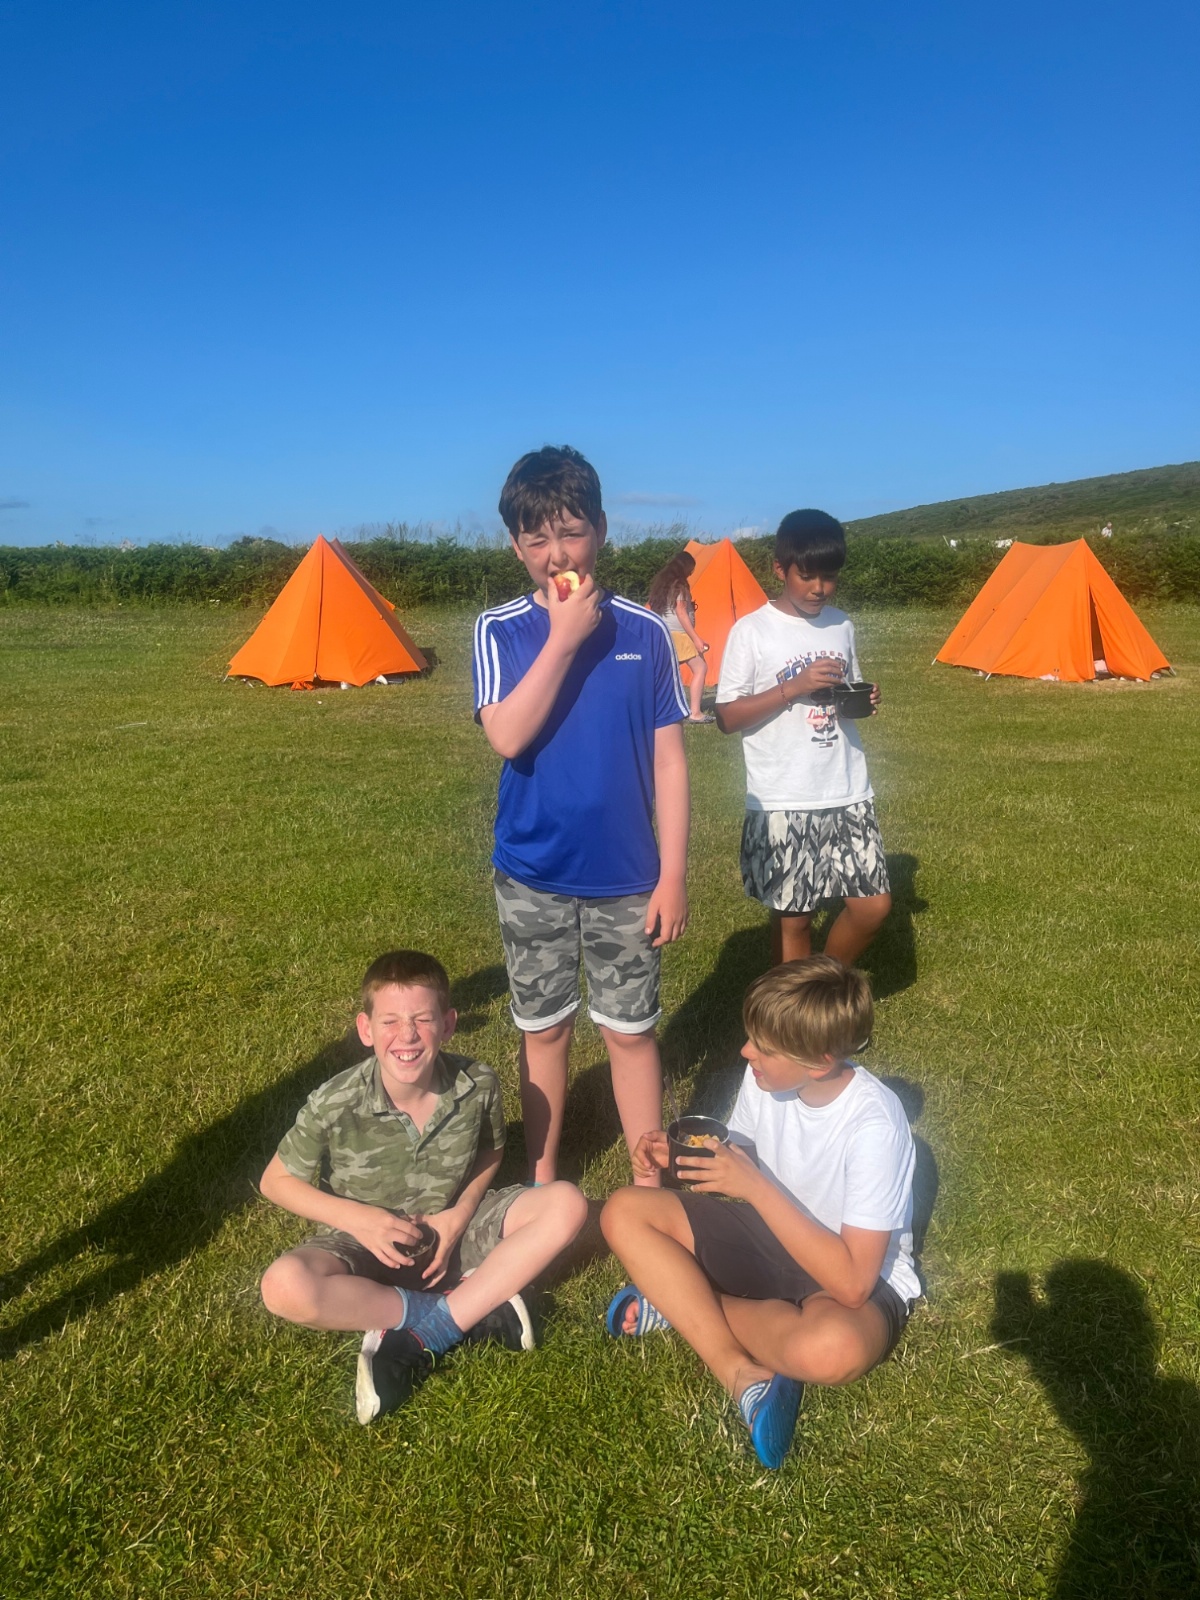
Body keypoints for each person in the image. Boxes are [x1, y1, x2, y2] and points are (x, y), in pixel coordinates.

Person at [600, 956, 918, 1470]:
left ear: (819, 1062)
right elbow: (743, 1148)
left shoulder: (874, 1125)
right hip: (769, 1234)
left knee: (832, 1351)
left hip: (847, 1271)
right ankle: (739, 1372)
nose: (746, 1052)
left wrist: (754, 1187)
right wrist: (680, 1156)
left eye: (763, 1047)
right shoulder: (768, 1078)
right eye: (751, 1039)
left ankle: (677, 1303)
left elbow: (853, 1284)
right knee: (623, 1211)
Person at [473, 445, 691, 1187]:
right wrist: (564, 638)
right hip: (532, 873)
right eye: (537, 539)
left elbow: (670, 762)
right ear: (516, 547)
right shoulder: (500, 629)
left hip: (629, 877)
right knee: (546, 1031)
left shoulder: (645, 631)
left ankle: (649, 1188)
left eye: (570, 532)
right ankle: (540, 1185)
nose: (557, 554)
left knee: (630, 1032)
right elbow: (507, 736)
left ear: (601, 529)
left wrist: (672, 876)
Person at [259, 949, 589, 1423]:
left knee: (567, 1204)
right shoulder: (334, 1102)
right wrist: (362, 1221)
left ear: (448, 1024)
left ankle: (426, 1328)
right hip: (364, 1249)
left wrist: (459, 1215)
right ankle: (461, 1311)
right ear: (365, 1029)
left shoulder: (477, 1083)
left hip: (452, 1234)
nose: (407, 1035)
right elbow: (275, 1181)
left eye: (422, 1019)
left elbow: (491, 1152)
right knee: (283, 1287)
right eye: (390, 1021)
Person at [715, 508, 891, 967]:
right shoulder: (752, 631)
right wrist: (794, 687)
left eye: (829, 577)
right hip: (784, 794)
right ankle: (797, 1009)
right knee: (795, 921)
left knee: (872, 907)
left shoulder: (841, 625)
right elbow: (727, 716)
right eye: (807, 576)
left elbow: (844, 688)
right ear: (780, 569)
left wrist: (863, 696)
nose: (819, 588)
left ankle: (820, 987)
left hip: (847, 787)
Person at [647, 550, 712, 723]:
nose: (691, 572)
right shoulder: (679, 586)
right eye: (691, 568)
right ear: (685, 567)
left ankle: (655, 708)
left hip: (665, 633)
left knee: (663, 673)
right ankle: (695, 713)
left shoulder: (663, 585)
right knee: (700, 668)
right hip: (680, 635)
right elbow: (681, 612)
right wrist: (696, 639)